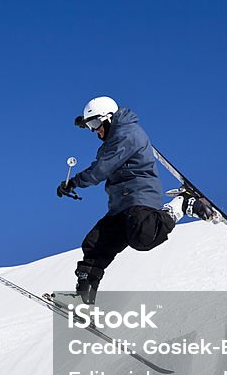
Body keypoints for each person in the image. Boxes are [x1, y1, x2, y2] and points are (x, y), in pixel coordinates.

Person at [56, 96, 214, 303]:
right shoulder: (114, 140)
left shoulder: (126, 135)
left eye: (95, 124)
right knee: (95, 245)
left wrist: (74, 182)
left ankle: (182, 203)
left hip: (139, 196)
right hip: (119, 205)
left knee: (143, 236)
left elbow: (100, 170)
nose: (94, 131)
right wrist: (85, 122)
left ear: (109, 118)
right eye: (90, 127)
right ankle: (83, 300)